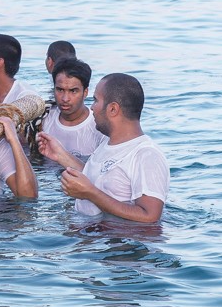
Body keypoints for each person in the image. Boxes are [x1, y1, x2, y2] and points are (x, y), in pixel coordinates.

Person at [37, 73, 169, 222]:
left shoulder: (146, 155)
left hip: (112, 242)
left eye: (95, 100)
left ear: (113, 109)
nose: (92, 108)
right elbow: (98, 179)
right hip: (91, 237)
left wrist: (90, 193)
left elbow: (150, 216)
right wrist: (60, 155)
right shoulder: (107, 144)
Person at [40, 58, 105, 157]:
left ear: (85, 92)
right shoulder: (43, 119)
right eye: (60, 90)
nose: (65, 99)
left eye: (73, 91)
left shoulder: (99, 128)